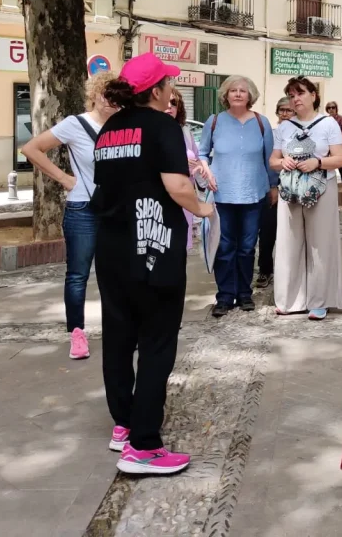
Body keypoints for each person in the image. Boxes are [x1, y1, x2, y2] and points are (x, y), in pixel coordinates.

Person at [93, 53, 214, 475]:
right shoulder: (162, 127)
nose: (170, 89)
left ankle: (124, 423)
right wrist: (203, 210)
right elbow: (177, 185)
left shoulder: (109, 129)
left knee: (119, 337)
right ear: (156, 90)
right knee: (158, 341)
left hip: (111, 249)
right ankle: (144, 446)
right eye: (167, 83)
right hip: (154, 246)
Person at [21, 71, 118, 360]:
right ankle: (77, 334)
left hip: (116, 210)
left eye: (116, 95)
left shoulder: (125, 126)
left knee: (114, 276)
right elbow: (31, 148)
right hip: (83, 209)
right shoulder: (76, 124)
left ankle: (118, 330)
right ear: (94, 95)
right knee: (78, 275)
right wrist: (64, 178)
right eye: (105, 93)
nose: (111, 100)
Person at [270, 76, 342, 320]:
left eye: (300, 93)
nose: (296, 99)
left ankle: (320, 300)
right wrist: (282, 161)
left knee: (320, 244)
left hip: (321, 187)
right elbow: (273, 161)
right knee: (288, 242)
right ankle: (290, 299)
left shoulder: (329, 124)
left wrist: (318, 162)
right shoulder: (284, 127)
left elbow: (340, 158)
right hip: (291, 190)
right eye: (292, 95)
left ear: (313, 95)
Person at [200, 76, 277, 318]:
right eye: (233, 90)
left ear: (250, 96)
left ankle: (244, 293)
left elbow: (269, 159)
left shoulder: (261, 123)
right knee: (224, 247)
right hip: (221, 194)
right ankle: (224, 296)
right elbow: (202, 153)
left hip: (254, 194)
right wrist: (207, 169)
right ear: (226, 95)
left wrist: (273, 187)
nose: (238, 94)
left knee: (246, 247)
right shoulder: (213, 122)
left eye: (243, 91)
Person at [165, 89, 216, 250]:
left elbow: (198, 159)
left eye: (174, 103)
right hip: (161, 198)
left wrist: (200, 168)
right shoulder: (150, 131)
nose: (169, 106)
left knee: (180, 250)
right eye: (166, 101)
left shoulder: (185, 131)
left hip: (185, 197)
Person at [255, 96, 294, 288]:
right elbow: (268, 162)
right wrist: (273, 186)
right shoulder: (272, 133)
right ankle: (265, 270)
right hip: (273, 189)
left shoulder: (299, 131)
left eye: (289, 110)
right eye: (282, 110)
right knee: (268, 231)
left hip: (295, 190)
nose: (285, 114)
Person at [325, 101, 342, 182]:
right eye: (329, 108)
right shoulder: (326, 120)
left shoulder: (341, 119)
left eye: (333, 107)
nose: (331, 109)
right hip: (328, 146)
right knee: (327, 164)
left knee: (340, 165)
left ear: (336, 109)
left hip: (339, 146)